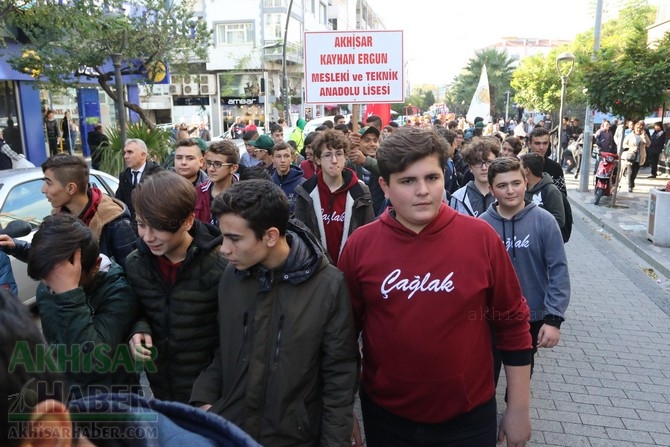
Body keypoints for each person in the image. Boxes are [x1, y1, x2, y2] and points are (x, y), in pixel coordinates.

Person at [338, 127, 532, 446]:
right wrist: (343, 411)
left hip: (469, 417)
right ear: (384, 186)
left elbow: (512, 325)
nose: (423, 191)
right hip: (386, 417)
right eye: (407, 181)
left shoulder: (481, 239)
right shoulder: (361, 245)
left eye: (432, 178)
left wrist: (519, 409)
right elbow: (342, 336)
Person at [189, 180, 358, 446]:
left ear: (269, 235)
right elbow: (224, 350)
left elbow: (339, 376)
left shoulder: (328, 286)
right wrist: (204, 400)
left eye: (235, 239)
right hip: (231, 431)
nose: (224, 249)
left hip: (295, 436)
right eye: (223, 237)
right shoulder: (231, 277)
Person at [0, 287, 261, 447]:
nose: (148, 236)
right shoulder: (49, 291)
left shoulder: (114, 283)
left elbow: (97, 348)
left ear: (46, 437)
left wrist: (205, 393)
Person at [127, 171, 226, 404]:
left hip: (209, 397)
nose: (148, 237)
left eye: (159, 227)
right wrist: (137, 328)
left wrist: (209, 393)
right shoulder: (135, 263)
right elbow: (132, 308)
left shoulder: (220, 265)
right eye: (141, 224)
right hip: (160, 389)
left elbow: (231, 339)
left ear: (188, 221)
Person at [26, 213, 140, 395]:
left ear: (95, 266)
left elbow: (92, 362)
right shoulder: (49, 284)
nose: (53, 287)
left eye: (68, 279)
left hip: (113, 402)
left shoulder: (118, 292)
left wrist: (70, 295)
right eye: (47, 280)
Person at [481, 157, 570, 382]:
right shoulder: (481, 225)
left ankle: (515, 412)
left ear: (526, 183)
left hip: (532, 317)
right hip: (489, 318)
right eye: (502, 185)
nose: (510, 191)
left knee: (519, 380)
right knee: (485, 377)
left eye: (516, 183)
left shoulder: (545, 221)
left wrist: (553, 320)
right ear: (491, 189)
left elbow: (559, 271)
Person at [3, 154, 136, 269]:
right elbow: (45, 254)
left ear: (71, 188)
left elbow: (132, 275)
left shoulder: (116, 222)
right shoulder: (57, 216)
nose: (43, 189)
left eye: (49, 183)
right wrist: (15, 246)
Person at [294, 129, 374, 265]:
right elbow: (300, 236)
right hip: (317, 270)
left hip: (352, 267)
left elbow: (369, 235)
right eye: (327, 155)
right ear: (318, 159)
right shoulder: (306, 191)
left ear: (345, 157)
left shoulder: (360, 191)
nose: (334, 160)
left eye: (339, 154)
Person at [116, 138, 163, 227]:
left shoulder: (157, 173)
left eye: (130, 152)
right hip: (131, 226)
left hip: (153, 224)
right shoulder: (124, 176)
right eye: (125, 152)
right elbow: (119, 201)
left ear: (143, 155)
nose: (125, 156)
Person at [449, 137, 498, 217]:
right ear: (470, 167)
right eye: (478, 162)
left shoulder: (503, 195)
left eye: (489, 162)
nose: (484, 168)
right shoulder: (458, 198)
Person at [195, 140, 240, 226]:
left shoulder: (244, 195)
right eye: (208, 163)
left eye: (217, 164)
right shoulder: (197, 193)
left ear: (233, 168)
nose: (211, 169)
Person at [521, 153, 565, 228]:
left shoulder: (551, 191)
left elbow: (559, 220)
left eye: (520, 167)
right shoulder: (522, 188)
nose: (518, 170)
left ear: (527, 170)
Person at [528, 127, 566, 194]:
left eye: (545, 143)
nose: (541, 147)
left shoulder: (555, 168)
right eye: (537, 143)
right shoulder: (520, 166)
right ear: (529, 144)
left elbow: (562, 195)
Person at [271, 141, 304, 213]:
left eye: (286, 156)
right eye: (278, 156)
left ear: (292, 158)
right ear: (272, 158)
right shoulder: (269, 184)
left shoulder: (303, 184)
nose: (282, 160)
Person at [622, 120, 651, 193]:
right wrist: (631, 148)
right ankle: (630, 186)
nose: (638, 130)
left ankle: (631, 182)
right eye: (637, 128)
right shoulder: (630, 136)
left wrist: (644, 136)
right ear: (634, 128)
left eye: (640, 128)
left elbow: (648, 144)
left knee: (635, 172)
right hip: (631, 156)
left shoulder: (644, 135)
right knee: (630, 171)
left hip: (639, 156)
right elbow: (624, 144)